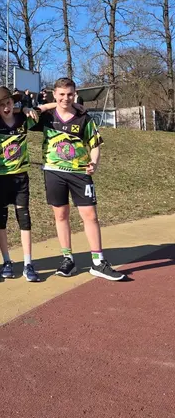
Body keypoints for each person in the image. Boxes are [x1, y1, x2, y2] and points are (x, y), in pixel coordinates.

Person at [32, 77, 125, 281]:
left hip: (80, 173)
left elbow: (95, 144)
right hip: (54, 172)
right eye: (61, 94)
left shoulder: (84, 118)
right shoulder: (46, 117)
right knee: (61, 215)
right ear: (54, 95)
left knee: (90, 215)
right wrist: (46, 105)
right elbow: (26, 113)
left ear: (75, 95)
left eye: (70, 94)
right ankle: (68, 259)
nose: (66, 98)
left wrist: (94, 162)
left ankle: (98, 262)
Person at [0, 86, 41, 282]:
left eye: (9, 103)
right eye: (1, 105)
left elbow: (44, 109)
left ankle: (28, 263)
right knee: (1, 219)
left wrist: (26, 108)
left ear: (13, 102)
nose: (6, 107)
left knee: (24, 219)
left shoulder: (23, 120)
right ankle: (6, 261)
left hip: (20, 177)